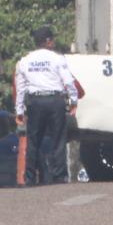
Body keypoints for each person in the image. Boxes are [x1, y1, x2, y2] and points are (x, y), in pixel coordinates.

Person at [14, 26, 79, 185]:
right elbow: (69, 81)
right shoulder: (57, 58)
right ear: (48, 41)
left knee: (33, 141)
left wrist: (19, 110)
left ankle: (30, 177)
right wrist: (73, 101)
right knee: (58, 139)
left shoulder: (24, 61)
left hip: (35, 102)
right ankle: (59, 176)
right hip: (55, 101)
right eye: (52, 40)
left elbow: (21, 88)